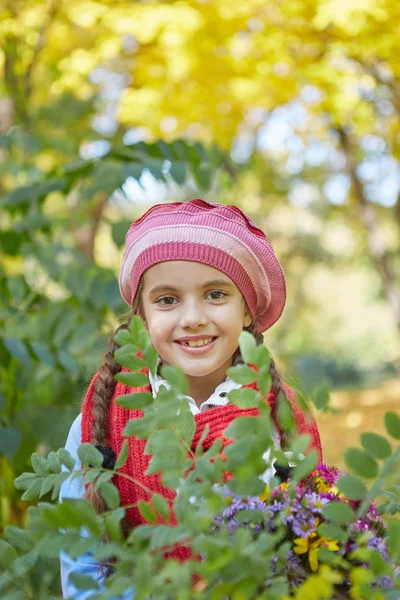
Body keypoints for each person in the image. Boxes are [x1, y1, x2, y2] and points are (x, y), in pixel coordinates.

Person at [59, 198, 323, 598]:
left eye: (216, 294)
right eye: (167, 299)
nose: (193, 317)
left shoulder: (282, 420)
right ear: (143, 316)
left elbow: (312, 545)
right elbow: (83, 566)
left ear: (247, 311)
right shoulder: (99, 425)